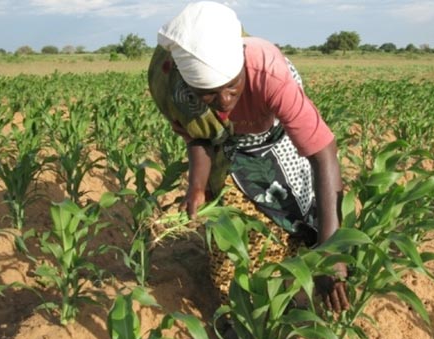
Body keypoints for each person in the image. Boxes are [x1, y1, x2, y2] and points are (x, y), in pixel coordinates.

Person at [148, 1, 349, 313]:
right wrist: (197, 186)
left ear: (241, 65)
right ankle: (236, 316)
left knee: (299, 206)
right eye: (209, 93)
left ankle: (306, 261)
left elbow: (323, 153)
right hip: (229, 146)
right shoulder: (178, 92)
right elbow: (201, 137)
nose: (225, 100)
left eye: (231, 85)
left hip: (271, 129)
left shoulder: (269, 74)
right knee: (231, 247)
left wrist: (331, 257)